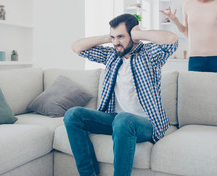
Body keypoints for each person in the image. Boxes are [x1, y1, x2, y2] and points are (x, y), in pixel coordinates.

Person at [64, 14, 178, 176]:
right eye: (113, 37)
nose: (116, 42)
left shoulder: (149, 55)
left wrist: (139, 34)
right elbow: (76, 47)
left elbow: (172, 39)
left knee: (123, 119)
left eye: (121, 37)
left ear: (133, 36)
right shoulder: (111, 55)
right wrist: (108, 37)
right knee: (72, 115)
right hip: (115, 120)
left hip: (145, 124)